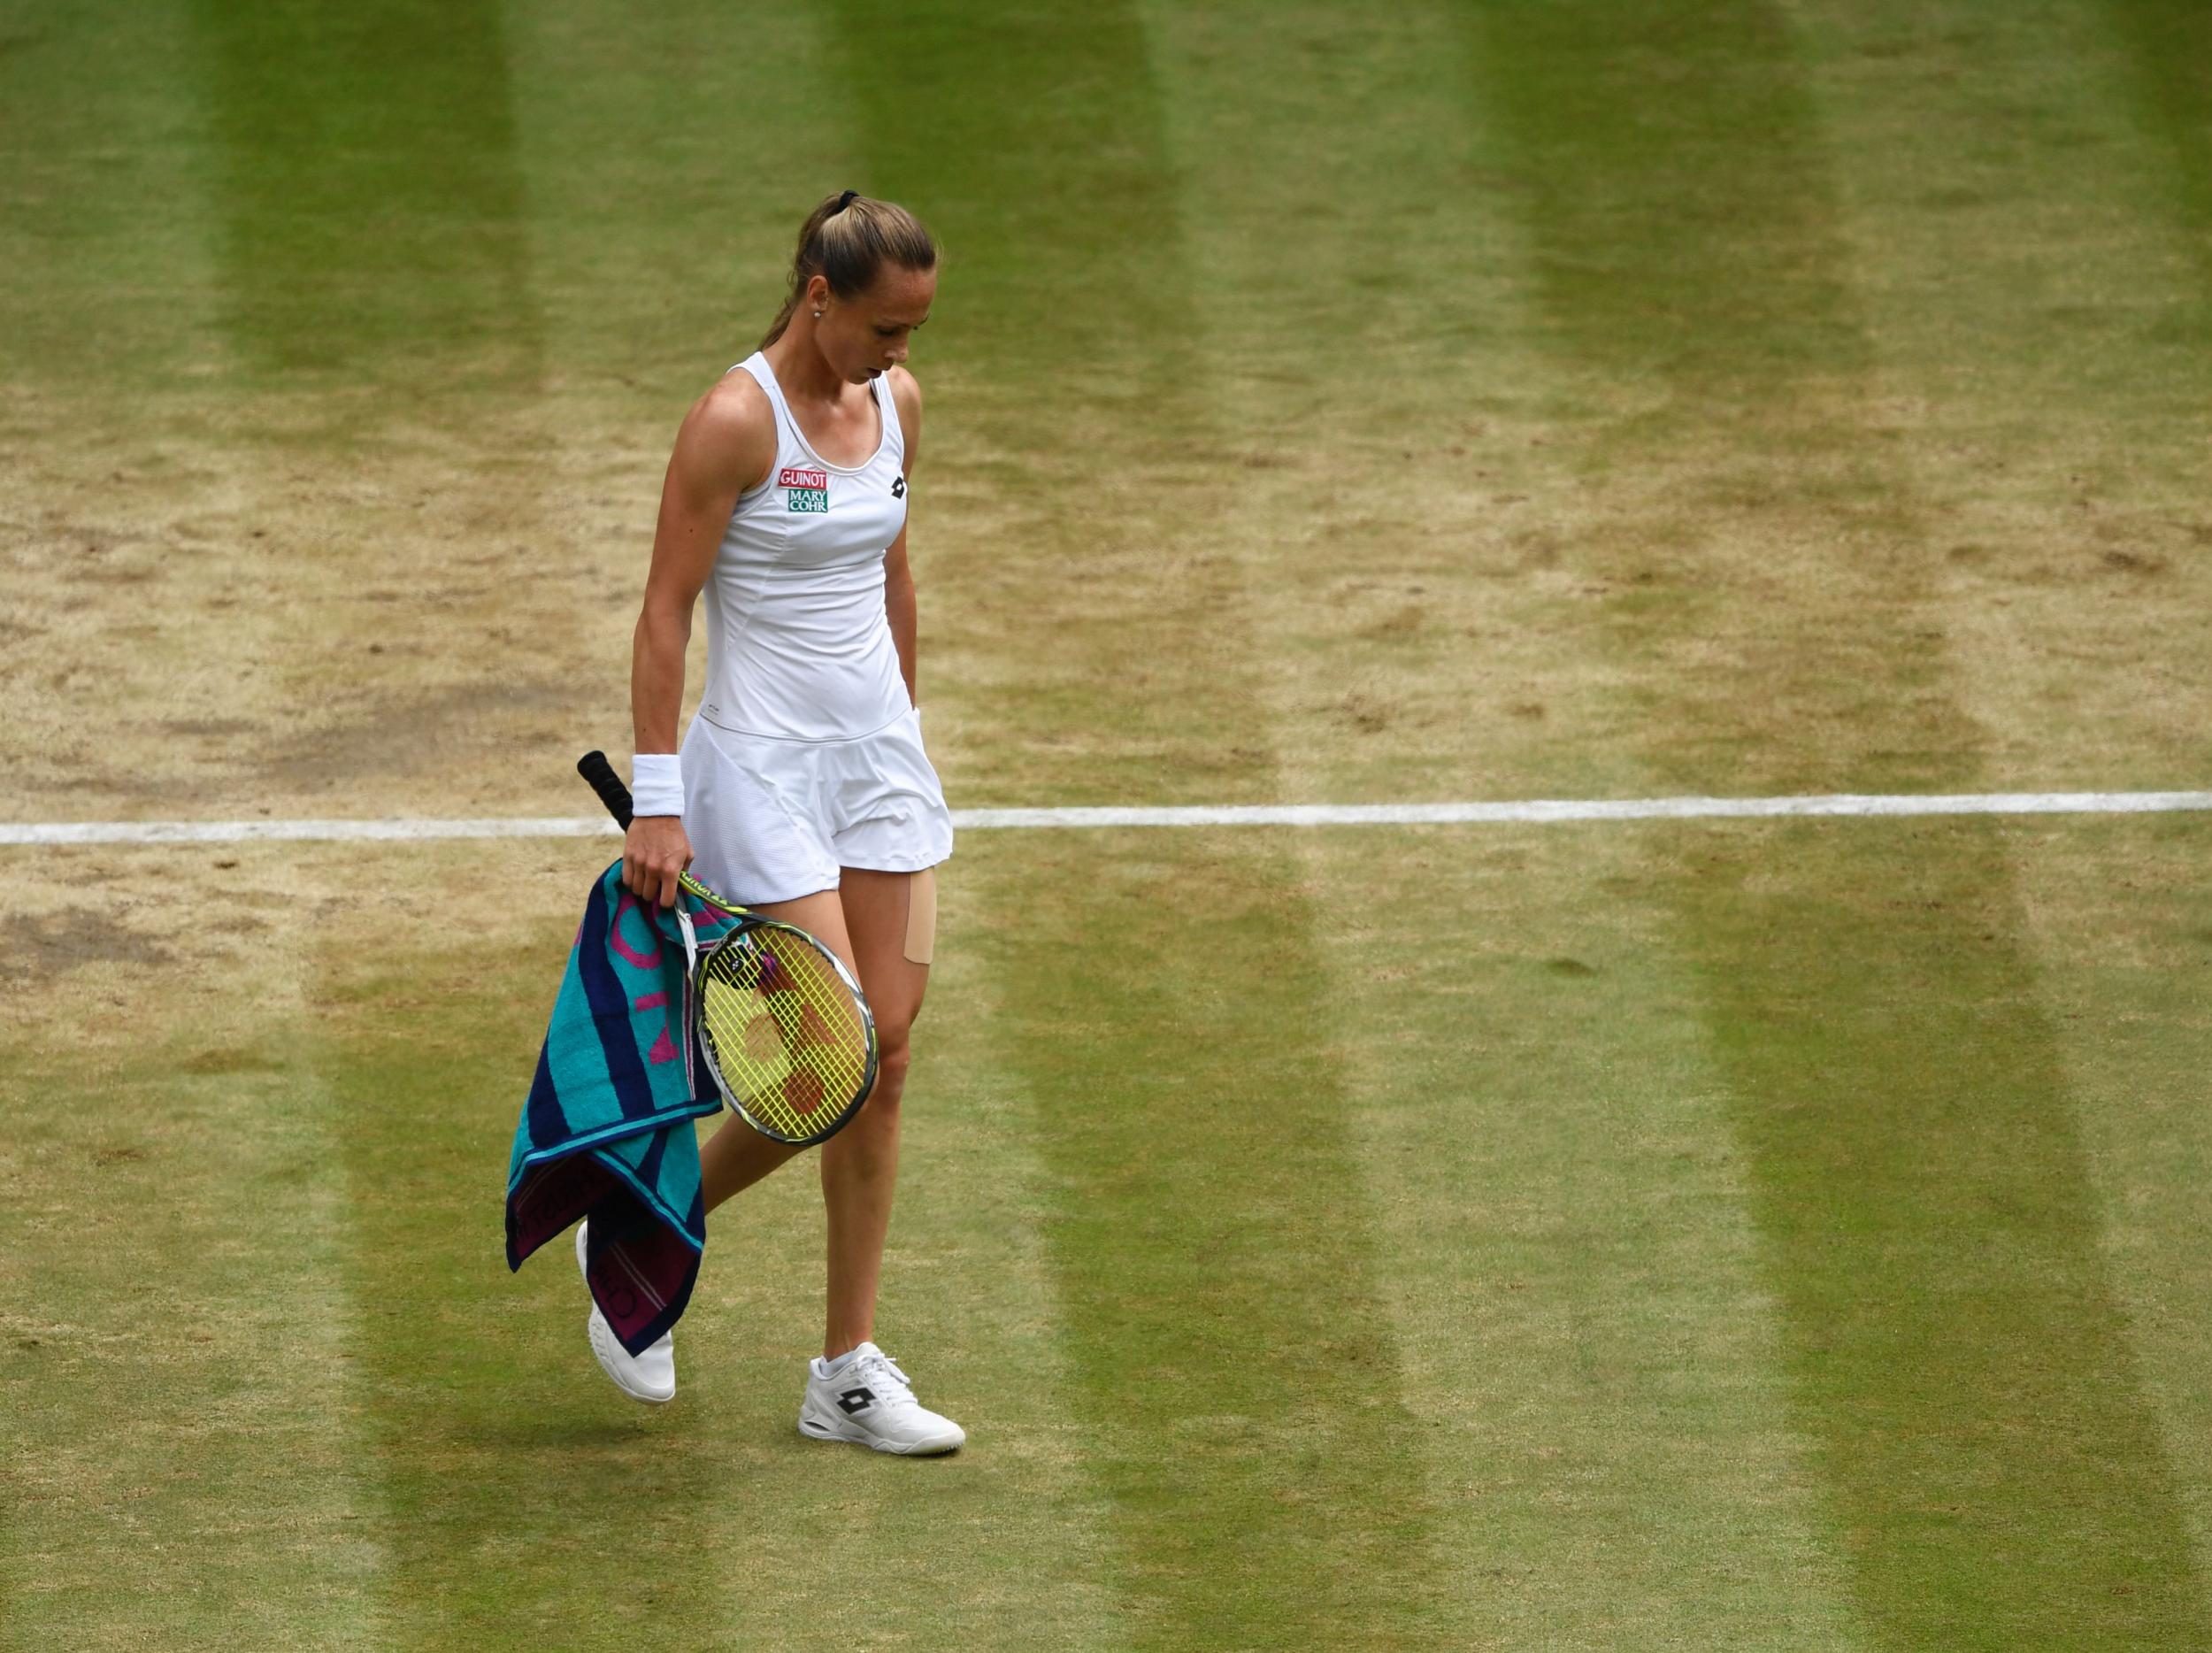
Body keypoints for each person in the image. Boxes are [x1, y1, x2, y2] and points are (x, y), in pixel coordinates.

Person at [584, 189, 961, 1455]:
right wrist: (658, 803)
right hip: (759, 770)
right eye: (884, 329)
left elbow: (892, 572)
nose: (899, 357)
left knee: (887, 1058)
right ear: (818, 296)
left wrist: (900, 734)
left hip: (876, 773)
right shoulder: (734, 421)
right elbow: (663, 611)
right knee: (835, 1052)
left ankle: (844, 1373)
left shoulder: (896, 407)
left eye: (913, 332)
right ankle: (645, 1220)